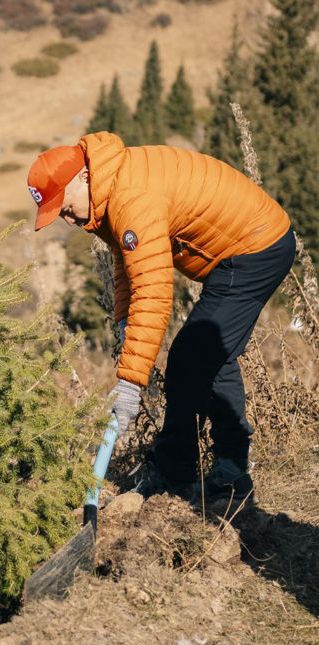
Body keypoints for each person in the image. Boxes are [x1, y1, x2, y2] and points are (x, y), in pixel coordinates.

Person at [26, 131, 295, 504]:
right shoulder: (109, 186)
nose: (67, 219)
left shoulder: (131, 197)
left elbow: (153, 291)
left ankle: (178, 474)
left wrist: (130, 384)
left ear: (83, 177)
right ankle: (230, 475)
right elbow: (128, 262)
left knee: (190, 355)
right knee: (211, 354)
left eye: (65, 206)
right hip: (240, 250)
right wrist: (125, 320)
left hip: (256, 247)